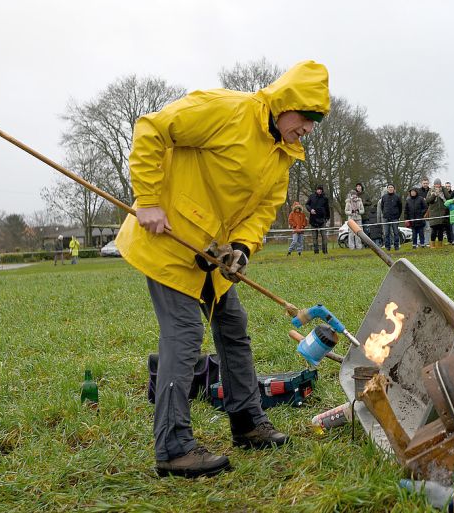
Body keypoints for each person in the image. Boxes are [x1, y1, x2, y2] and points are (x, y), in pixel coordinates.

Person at [114, 60, 329, 478]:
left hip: (211, 257)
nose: (308, 128)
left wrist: (242, 249)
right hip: (169, 243)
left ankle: (247, 421)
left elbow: (263, 210)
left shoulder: (282, 154)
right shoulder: (226, 110)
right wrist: (149, 200)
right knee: (184, 333)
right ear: (285, 103)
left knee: (232, 325)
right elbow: (152, 128)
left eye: (314, 122)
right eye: (305, 117)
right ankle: (173, 448)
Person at [425, 179, 450, 248]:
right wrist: (434, 195)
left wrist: (444, 189)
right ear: (434, 185)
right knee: (434, 230)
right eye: (436, 185)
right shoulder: (430, 191)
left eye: (438, 185)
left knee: (441, 230)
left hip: (442, 213)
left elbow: (448, 197)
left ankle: (440, 245)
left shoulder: (443, 190)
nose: (437, 186)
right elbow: (428, 200)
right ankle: (432, 245)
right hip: (433, 214)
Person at [307, 185, 330, 254]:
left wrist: (327, 217)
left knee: (324, 236)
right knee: (314, 237)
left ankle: (325, 251)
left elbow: (327, 208)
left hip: (322, 220)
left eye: (320, 189)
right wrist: (310, 210)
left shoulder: (325, 198)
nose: (319, 191)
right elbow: (307, 205)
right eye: (318, 189)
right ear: (316, 190)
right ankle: (316, 252)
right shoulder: (311, 196)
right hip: (313, 220)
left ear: (322, 190)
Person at [379, 184, 403, 251]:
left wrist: (398, 216)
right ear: (387, 189)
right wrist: (384, 213)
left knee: (396, 232)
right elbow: (382, 207)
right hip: (386, 218)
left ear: (394, 189)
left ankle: (396, 246)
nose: (390, 188)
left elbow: (400, 207)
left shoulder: (397, 197)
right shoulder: (384, 197)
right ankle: (387, 247)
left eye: (391, 187)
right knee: (386, 233)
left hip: (395, 217)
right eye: (389, 187)